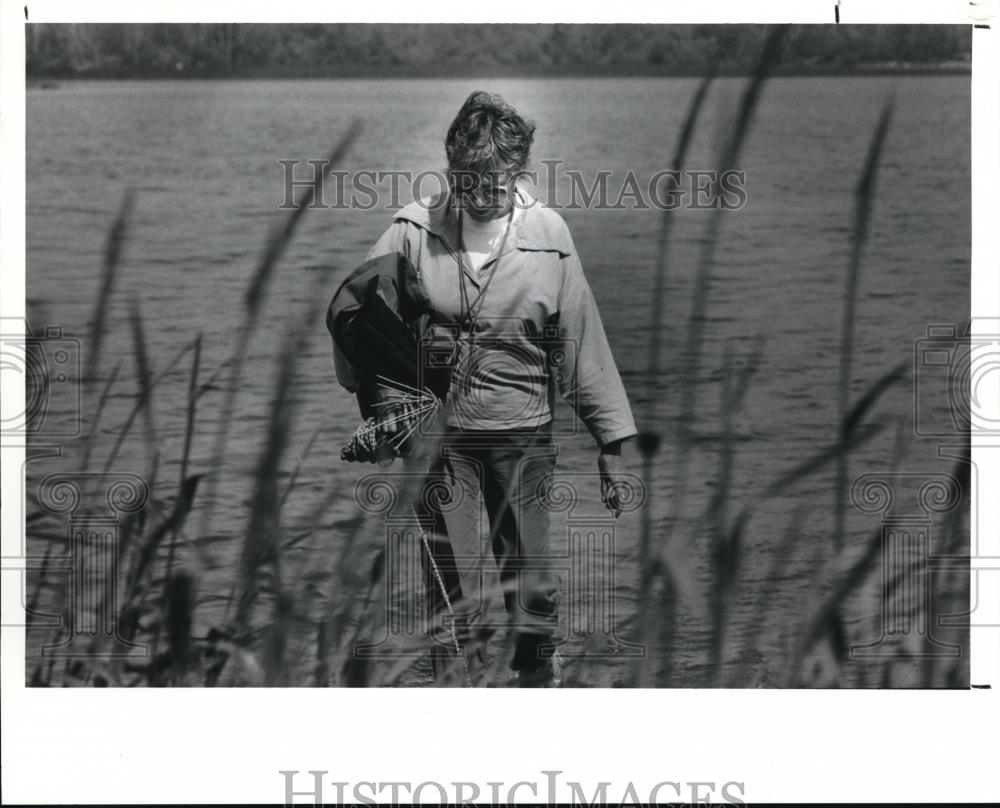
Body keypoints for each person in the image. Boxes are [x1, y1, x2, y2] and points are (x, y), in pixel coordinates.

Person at [340, 90, 637, 686]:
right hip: (437, 441)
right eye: (470, 177)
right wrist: (378, 406)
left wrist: (612, 445)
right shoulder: (411, 230)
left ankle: (536, 680)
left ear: (519, 171)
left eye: (498, 178)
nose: (484, 190)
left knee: (534, 584)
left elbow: (582, 335)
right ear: (452, 169)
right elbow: (355, 315)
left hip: (522, 434)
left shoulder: (549, 235)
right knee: (451, 588)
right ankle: (458, 695)